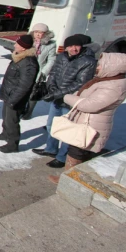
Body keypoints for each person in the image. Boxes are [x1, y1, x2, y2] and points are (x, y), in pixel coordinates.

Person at [48, 53, 126, 183]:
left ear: (113, 67)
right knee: (77, 151)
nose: (97, 67)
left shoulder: (114, 87)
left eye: (100, 64)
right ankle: (70, 178)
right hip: (86, 122)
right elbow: (84, 94)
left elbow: (89, 105)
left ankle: (68, 181)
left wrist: (64, 97)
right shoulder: (105, 80)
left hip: (91, 126)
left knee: (77, 152)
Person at [33, 34, 97, 168]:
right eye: (70, 46)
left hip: (71, 101)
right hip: (57, 98)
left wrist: (56, 93)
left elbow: (80, 84)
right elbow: (53, 74)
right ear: (66, 47)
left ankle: (62, 157)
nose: (74, 49)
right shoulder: (61, 57)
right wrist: (51, 88)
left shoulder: (88, 61)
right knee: (52, 125)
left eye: (76, 46)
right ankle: (50, 149)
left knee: (68, 130)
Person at [0, 35, 39, 153]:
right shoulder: (19, 57)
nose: (14, 45)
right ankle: (5, 133)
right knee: (6, 117)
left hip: (16, 97)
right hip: (9, 93)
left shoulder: (29, 63)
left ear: (23, 48)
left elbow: (25, 85)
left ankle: (13, 144)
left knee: (12, 120)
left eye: (17, 44)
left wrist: (14, 99)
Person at [21, 23, 56, 120]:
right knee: (23, 91)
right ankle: (21, 109)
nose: (38, 34)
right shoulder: (28, 41)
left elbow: (51, 60)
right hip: (26, 70)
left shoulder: (50, 44)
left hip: (38, 71)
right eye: (36, 32)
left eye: (41, 33)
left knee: (33, 93)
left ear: (46, 34)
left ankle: (29, 112)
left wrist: (44, 72)